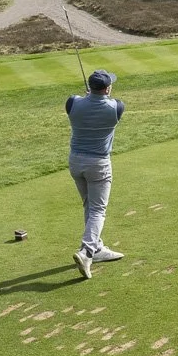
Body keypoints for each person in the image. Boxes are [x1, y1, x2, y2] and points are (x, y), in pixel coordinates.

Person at [66, 69, 126, 278]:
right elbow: (111, 102)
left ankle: (97, 248)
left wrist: (87, 97)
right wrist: (93, 97)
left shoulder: (73, 103)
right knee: (98, 210)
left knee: (89, 205)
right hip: (98, 164)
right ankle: (88, 251)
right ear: (108, 88)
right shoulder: (116, 108)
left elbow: (78, 103)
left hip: (76, 162)